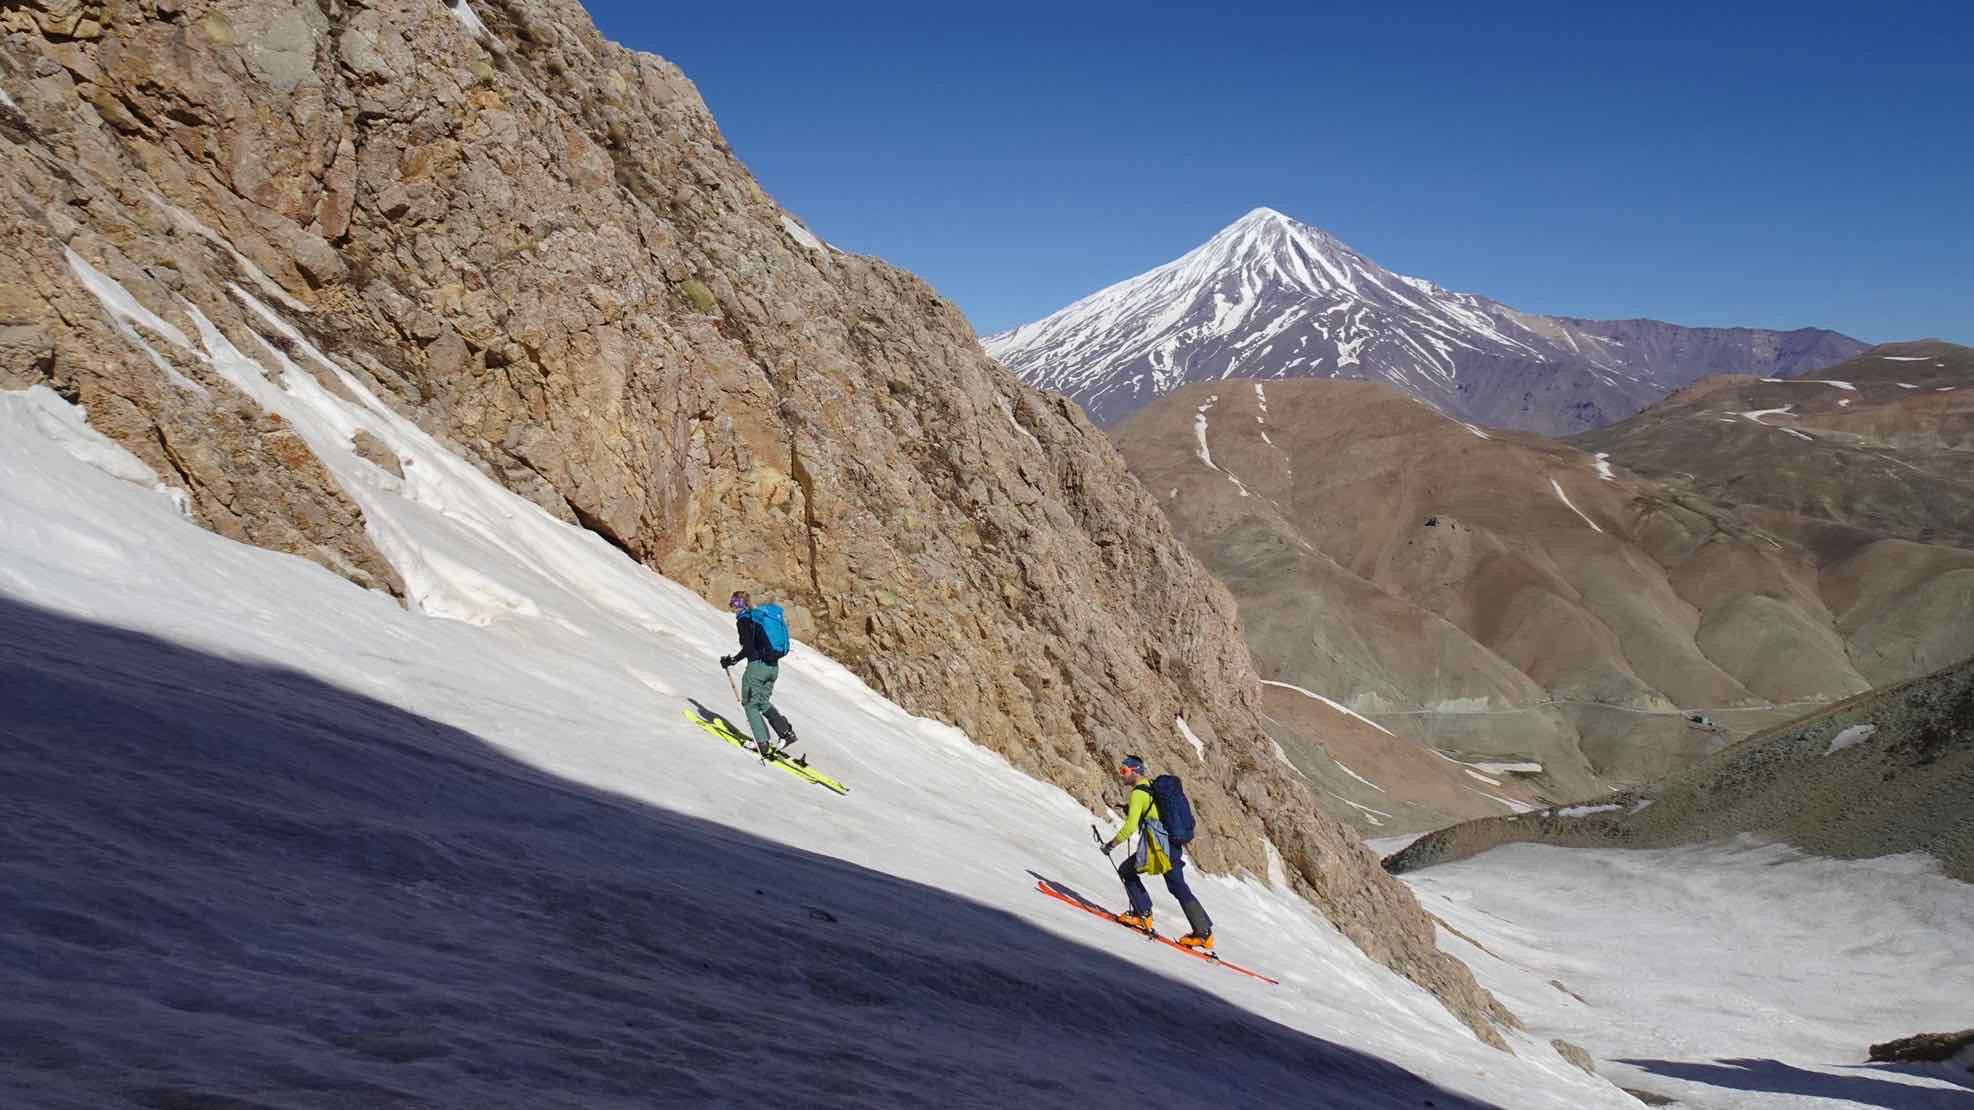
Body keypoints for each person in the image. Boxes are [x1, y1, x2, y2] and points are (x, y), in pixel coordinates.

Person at [1100, 755, 1214, 949]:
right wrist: (1130, 808)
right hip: (1171, 844)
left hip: (1159, 847)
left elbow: (1129, 828)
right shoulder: (1151, 786)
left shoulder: (1138, 793)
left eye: (1124, 771)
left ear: (1134, 770)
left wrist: (1110, 845)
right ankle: (1203, 932)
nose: (1121, 775)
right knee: (1177, 886)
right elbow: (1153, 811)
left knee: (1128, 870)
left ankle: (1143, 914)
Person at [718, 590, 798, 759]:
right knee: (762, 702)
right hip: (773, 667)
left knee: (749, 704)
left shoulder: (745, 620)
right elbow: (753, 646)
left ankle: (761, 743)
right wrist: (734, 660)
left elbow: (748, 648)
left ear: (739, 604)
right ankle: (786, 732)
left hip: (757, 668)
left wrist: (735, 660)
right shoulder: (758, 618)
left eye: (733, 603)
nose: (732, 606)